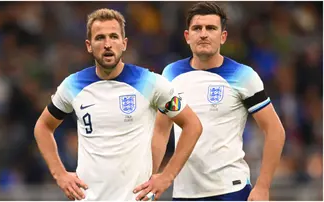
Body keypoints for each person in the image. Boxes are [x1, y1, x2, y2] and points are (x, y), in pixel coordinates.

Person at [33, 8, 202, 201]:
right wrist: (60, 174)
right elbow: (43, 126)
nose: (107, 44)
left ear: (124, 43)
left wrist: (167, 176)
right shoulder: (72, 85)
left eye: (114, 37)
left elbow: (192, 125)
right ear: (89, 45)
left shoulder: (150, 83)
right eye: (100, 38)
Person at [145, 2, 285, 201]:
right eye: (197, 28)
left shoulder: (244, 76)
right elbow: (161, 130)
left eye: (211, 28)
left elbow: (275, 130)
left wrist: (263, 186)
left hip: (230, 190)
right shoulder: (170, 74)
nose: (203, 34)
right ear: (187, 36)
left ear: (223, 36)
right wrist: (149, 178)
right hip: (184, 193)